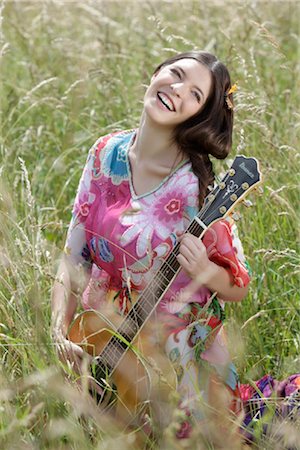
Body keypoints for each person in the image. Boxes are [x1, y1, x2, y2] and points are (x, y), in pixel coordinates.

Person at [51, 50, 299, 442]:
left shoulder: (196, 190)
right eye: (176, 75)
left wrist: (203, 268)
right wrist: (58, 329)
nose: (178, 90)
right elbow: (73, 256)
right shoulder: (104, 153)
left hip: (171, 361)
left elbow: (238, 287)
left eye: (195, 94)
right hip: (103, 338)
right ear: (156, 73)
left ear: (197, 116)